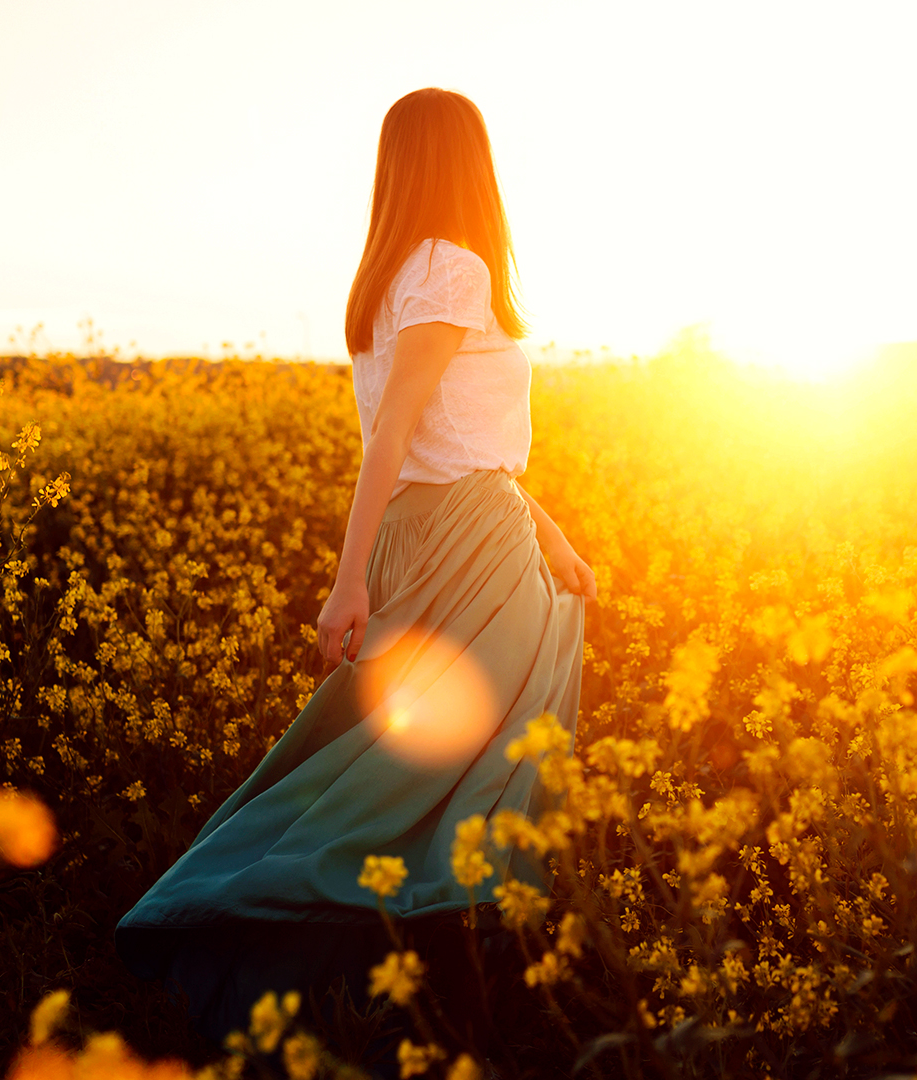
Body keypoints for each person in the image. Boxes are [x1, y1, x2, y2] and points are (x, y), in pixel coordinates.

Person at [115, 87, 595, 1046]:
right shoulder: (457, 272)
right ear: (470, 162)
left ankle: (414, 999)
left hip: (439, 531)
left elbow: (437, 442)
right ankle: (467, 1019)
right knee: (445, 779)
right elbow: (402, 439)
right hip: (468, 548)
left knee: (405, 770)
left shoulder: (397, 279)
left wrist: (549, 529)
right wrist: (346, 580)